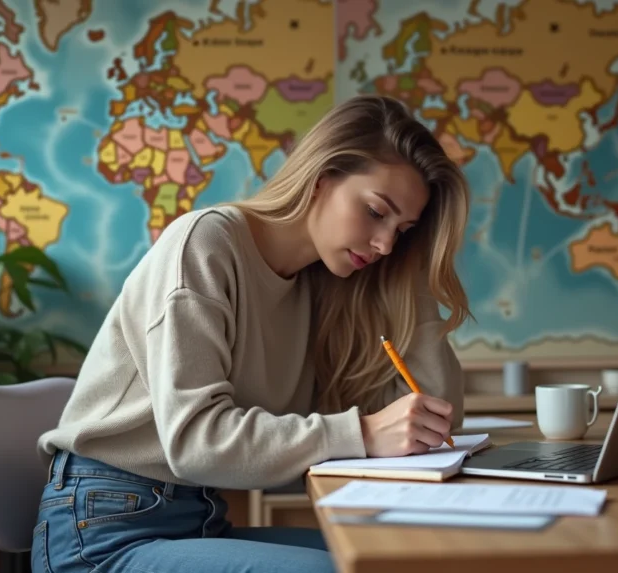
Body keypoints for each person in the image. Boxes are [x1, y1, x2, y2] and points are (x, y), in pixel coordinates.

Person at [32, 94, 472, 573]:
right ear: (321, 179)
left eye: (402, 230)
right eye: (374, 212)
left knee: (399, 561)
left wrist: (410, 270)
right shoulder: (205, 245)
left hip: (196, 520)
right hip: (101, 531)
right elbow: (196, 442)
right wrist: (363, 431)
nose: (385, 243)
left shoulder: (322, 288)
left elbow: (434, 419)